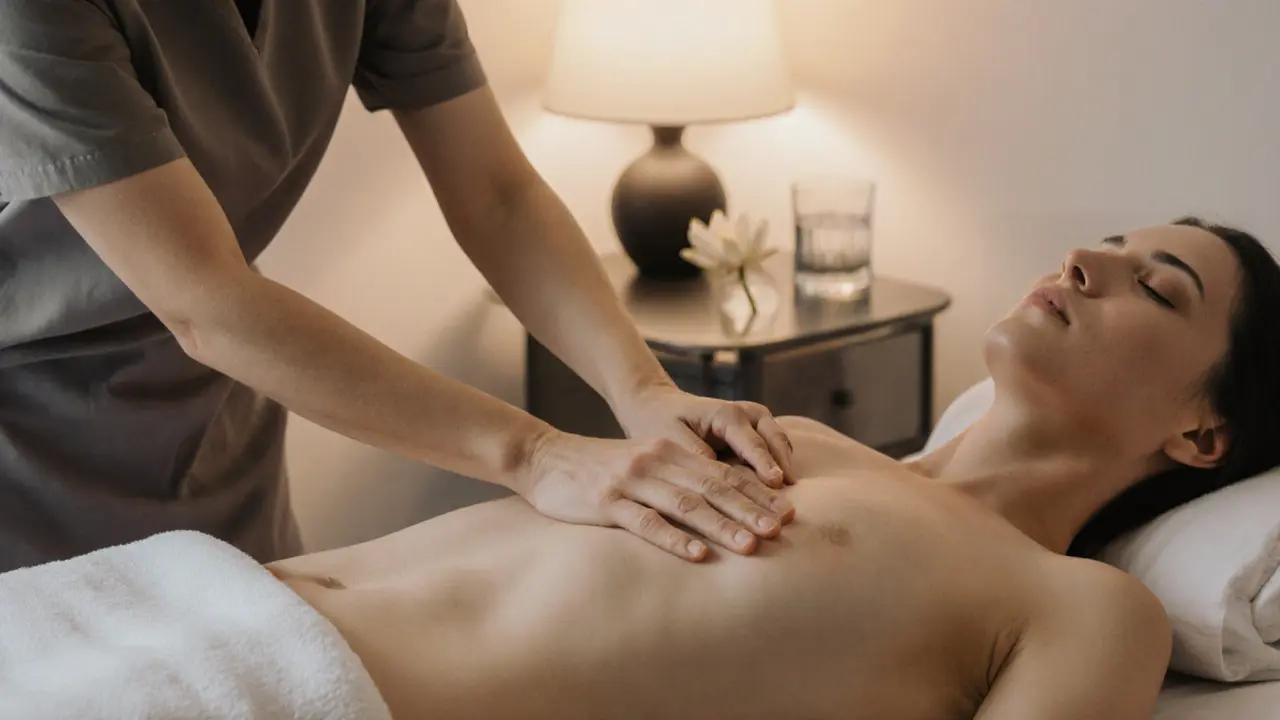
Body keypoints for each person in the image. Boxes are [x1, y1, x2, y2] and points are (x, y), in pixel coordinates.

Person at [258, 218, 1280, 717]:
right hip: (196, 598)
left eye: (1155, 286)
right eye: (1099, 246)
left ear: (1200, 433)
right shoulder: (787, 434)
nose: (1081, 265)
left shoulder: (1081, 605)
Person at [0, 0, 794, 572]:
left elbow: (497, 195)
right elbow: (205, 302)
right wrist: (536, 455)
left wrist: (643, 390)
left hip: (214, 423)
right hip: (27, 452)